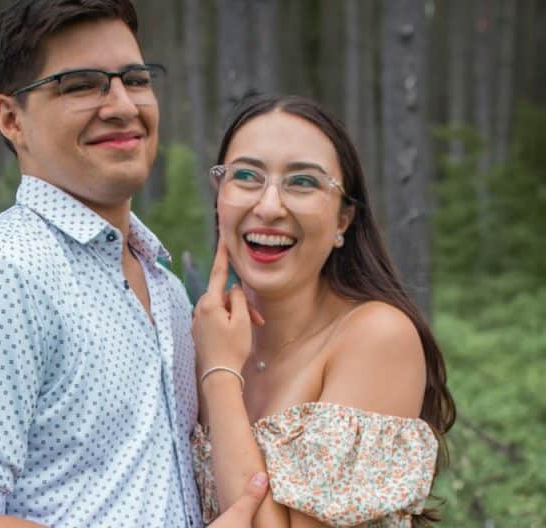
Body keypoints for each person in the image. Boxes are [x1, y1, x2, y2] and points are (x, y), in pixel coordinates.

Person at [0, 0, 267, 528]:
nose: (123, 105)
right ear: (12, 119)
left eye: (135, 80)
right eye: (81, 86)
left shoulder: (167, 290)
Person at [190, 95, 456, 527]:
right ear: (220, 198)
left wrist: (220, 374)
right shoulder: (199, 334)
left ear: (343, 221)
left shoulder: (376, 336)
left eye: (303, 182)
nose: (270, 206)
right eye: (245, 176)